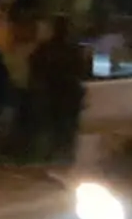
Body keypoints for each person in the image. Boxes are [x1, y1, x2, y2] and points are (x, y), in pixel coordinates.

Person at [24, 16, 87, 165]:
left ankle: (50, 158)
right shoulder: (73, 49)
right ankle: (62, 158)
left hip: (52, 95)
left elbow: (34, 67)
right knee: (65, 130)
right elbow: (81, 70)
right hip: (66, 95)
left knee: (50, 129)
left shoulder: (46, 48)